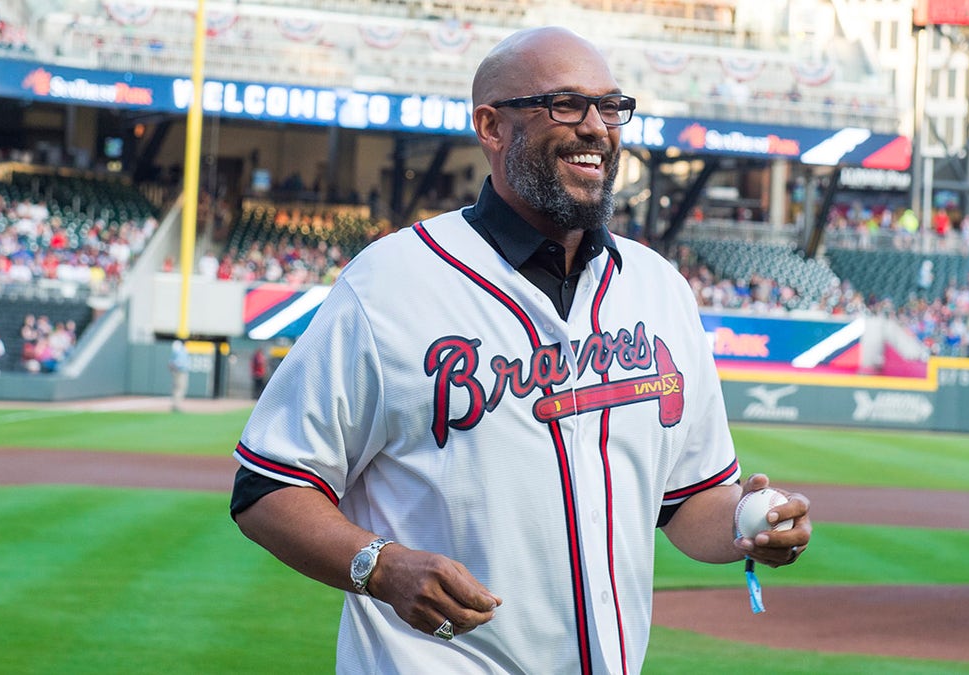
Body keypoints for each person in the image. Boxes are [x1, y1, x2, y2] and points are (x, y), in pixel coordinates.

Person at [230, 26, 811, 674]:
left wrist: (746, 524)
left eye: (610, 107)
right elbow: (268, 485)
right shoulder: (390, 283)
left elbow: (688, 501)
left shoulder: (659, 290)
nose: (596, 126)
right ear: (491, 125)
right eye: (565, 104)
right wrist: (381, 567)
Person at [168, 340, 190, 412]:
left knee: (178, 388)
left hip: (179, 371)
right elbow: (174, 362)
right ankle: (176, 405)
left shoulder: (181, 350)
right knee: (179, 388)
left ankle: (176, 405)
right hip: (180, 371)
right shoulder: (179, 350)